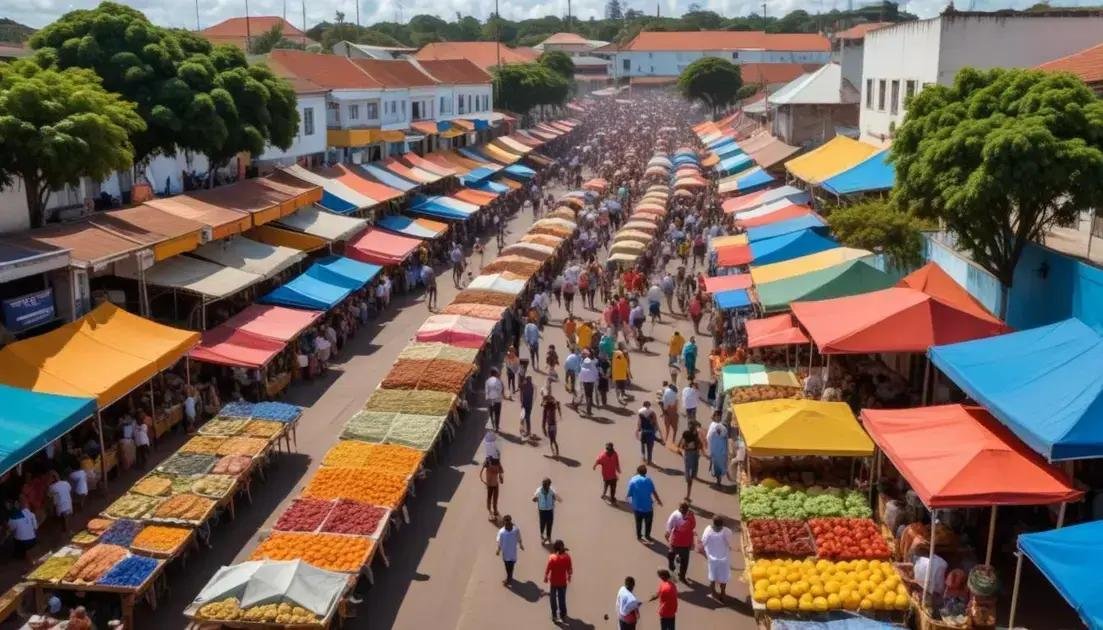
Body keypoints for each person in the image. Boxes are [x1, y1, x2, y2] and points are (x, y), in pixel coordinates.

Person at [700, 516, 734, 601]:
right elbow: (729, 543)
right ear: (722, 523)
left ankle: (713, 593)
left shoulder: (708, 530)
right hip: (724, 559)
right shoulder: (727, 531)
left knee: (712, 576)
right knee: (723, 577)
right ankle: (723, 593)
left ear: (713, 522)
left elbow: (703, 542)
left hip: (712, 559)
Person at [626, 465, 662, 542]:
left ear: (637, 471)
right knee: (648, 523)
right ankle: (647, 535)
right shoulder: (648, 480)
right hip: (648, 507)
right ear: (645, 472)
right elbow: (653, 491)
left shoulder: (633, 480)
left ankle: (639, 536)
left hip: (637, 507)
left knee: (638, 522)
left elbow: (629, 494)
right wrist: (658, 500)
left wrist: (629, 500)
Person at [544, 540, 572, 623]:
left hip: (554, 582)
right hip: (562, 582)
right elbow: (569, 569)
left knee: (553, 599)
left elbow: (548, 568)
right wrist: (569, 576)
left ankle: (555, 616)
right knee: (562, 599)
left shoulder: (552, 557)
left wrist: (546, 576)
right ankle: (563, 615)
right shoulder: (567, 557)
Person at [496, 514, 524, 586]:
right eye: (506, 521)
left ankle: (509, 578)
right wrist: (498, 550)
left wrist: (521, 544)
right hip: (505, 553)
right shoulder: (501, 532)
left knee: (510, 566)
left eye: (509, 521)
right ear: (504, 522)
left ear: (511, 521)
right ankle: (509, 577)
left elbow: (519, 538)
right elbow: (500, 542)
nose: (508, 523)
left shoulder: (516, 530)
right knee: (507, 566)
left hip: (513, 553)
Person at [677, 422, 703, 499]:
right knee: (690, 475)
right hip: (691, 454)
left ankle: (688, 493)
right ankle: (688, 493)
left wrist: (681, 449)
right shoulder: (689, 434)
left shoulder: (692, 434)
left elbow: (681, 444)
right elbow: (682, 444)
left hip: (690, 454)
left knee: (690, 475)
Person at [532, 478, 562, 543]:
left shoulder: (552, 490)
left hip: (550, 510)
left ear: (549, 485)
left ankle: (548, 536)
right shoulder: (539, 490)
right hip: (542, 510)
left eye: (546, 484)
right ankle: (542, 534)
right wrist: (536, 499)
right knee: (542, 523)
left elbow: (556, 497)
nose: (545, 486)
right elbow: (533, 499)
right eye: (544, 484)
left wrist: (557, 498)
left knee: (549, 523)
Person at [706, 412, 729, 488]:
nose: (718, 417)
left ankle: (718, 482)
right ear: (714, 417)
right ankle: (718, 481)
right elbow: (709, 437)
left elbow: (724, 436)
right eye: (717, 416)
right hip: (715, 449)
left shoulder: (722, 427)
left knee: (719, 466)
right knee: (716, 466)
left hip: (720, 450)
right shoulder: (713, 425)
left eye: (719, 416)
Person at [541, 389, 562, 456]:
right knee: (553, 439)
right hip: (554, 425)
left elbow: (544, 420)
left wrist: (543, 428)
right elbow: (557, 403)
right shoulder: (553, 406)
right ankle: (556, 452)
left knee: (551, 440)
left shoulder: (546, 409)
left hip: (550, 425)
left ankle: (554, 453)